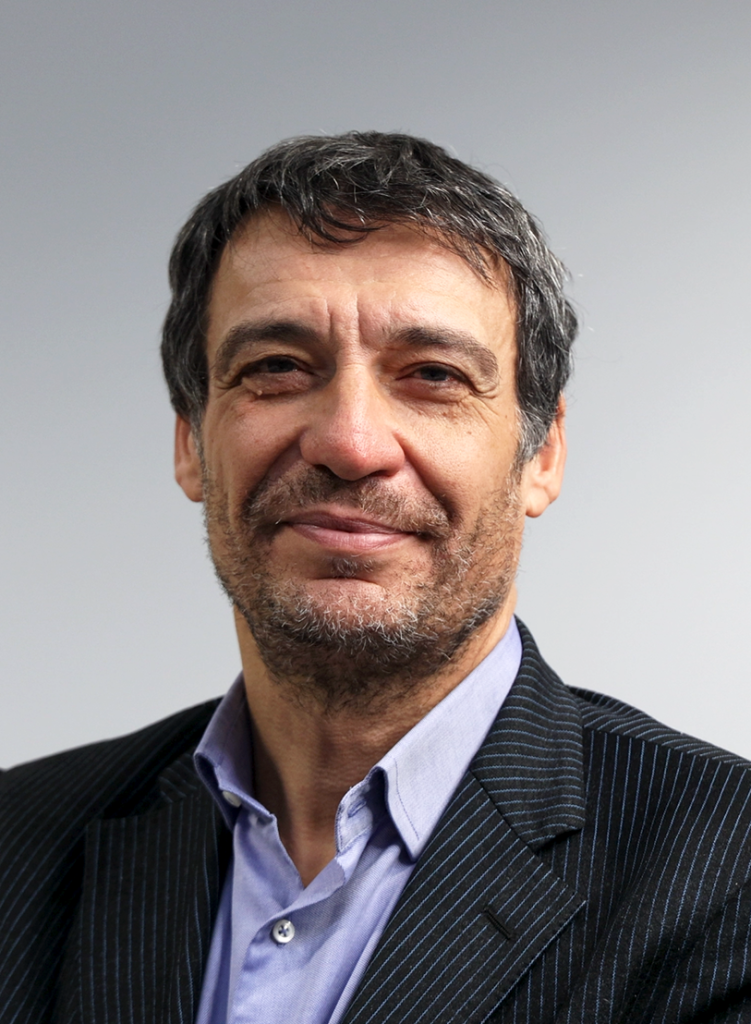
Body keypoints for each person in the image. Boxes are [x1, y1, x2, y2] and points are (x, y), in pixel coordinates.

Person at [2, 132, 751, 1024]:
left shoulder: (728, 871)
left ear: (541, 455)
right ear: (190, 443)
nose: (349, 443)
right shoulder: (17, 844)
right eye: (276, 368)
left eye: (433, 375)